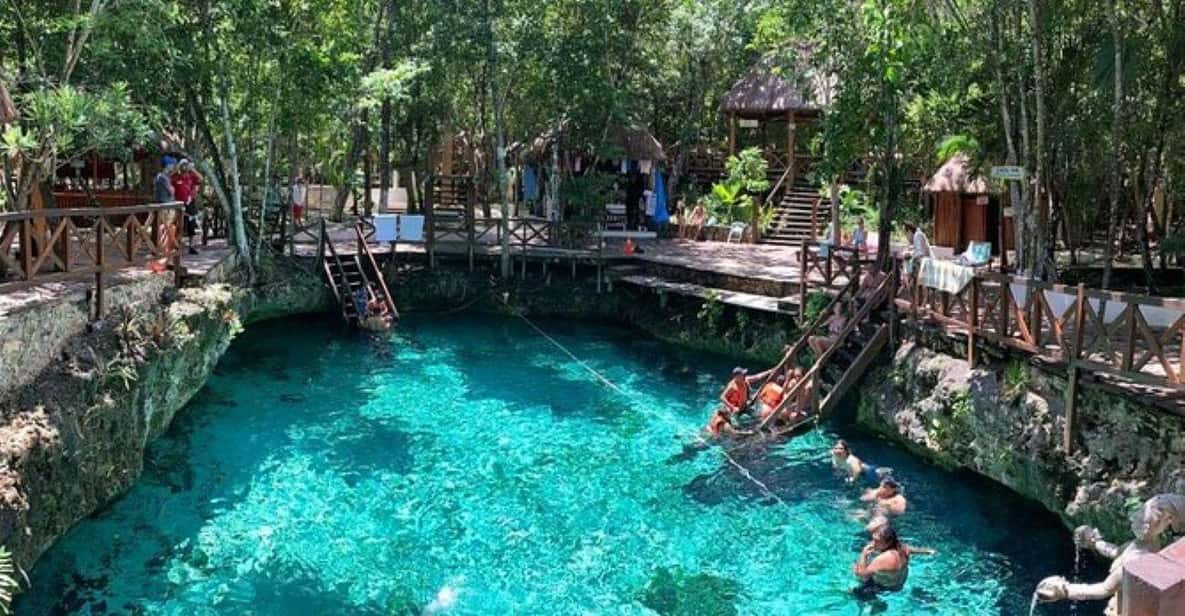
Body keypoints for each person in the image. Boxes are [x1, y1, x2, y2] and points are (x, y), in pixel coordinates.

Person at [853, 525, 911, 595]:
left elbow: (862, 576)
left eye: (876, 541)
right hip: (898, 585)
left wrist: (863, 554)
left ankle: (876, 603)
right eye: (873, 539)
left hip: (883, 588)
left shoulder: (883, 559)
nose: (873, 543)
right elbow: (914, 550)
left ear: (888, 542)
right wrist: (927, 551)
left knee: (851, 591)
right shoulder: (903, 548)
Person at [172, 160, 203, 255]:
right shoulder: (175, 177)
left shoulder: (191, 177)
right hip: (179, 204)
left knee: (191, 225)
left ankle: (191, 246)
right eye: (182, 165)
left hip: (190, 204)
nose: (184, 167)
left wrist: (192, 169)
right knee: (179, 225)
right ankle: (176, 245)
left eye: (186, 165)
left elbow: (201, 179)